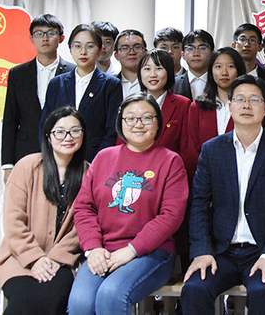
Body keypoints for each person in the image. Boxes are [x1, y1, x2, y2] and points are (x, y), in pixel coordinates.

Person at [180, 75, 265, 314]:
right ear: (230, 106)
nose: (246, 105)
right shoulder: (212, 150)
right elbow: (199, 204)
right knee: (194, 289)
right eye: (240, 99)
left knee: (262, 292)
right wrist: (202, 250)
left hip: (263, 250)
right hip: (221, 252)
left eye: (254, 100)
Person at [68, 93, 188, 315]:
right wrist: (93, 248)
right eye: (130, 118)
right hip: (103, 250)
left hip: (151, 253)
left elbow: (171, 216)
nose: (138, 124)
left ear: (158, 123)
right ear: (120, 123)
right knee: (80, 303)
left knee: (111, 295)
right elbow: (84, 208)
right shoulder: (103, 158)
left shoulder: (170, 161)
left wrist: (132, 250)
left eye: (146, 118)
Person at [0, 106, 89, 315]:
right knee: (23, 302)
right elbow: (13, 221)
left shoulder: (88, 173)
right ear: (48, 136)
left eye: (75, 131)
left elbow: (82, 226)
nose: (68, 137)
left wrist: (56, 257)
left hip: (63, 260)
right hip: (20, 257)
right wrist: (35, 258)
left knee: (52, 298)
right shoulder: (27, 167)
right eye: (60, 131)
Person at [2, 14, 73, 182]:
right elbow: (10, 120)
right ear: (31, 38)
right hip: (25, 150)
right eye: (39, 33)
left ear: (61, 38)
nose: (45, 38)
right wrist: (7, 164)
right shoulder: (18, 73)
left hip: (63, 149)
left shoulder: (73, 72)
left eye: (51, 33)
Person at [41, 24, 123, 163]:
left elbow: (112, 130)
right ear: (70, 49)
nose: (83, 52)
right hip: (59, 158)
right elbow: (45, 124)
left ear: (100, 49)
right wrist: (49, 156)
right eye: (77, 46)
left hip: (94, 158)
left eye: (90, 46)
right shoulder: (57, 83)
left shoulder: (111, 84)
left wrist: (98, 162)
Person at [181, 48, 247, 174]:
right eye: (218, 67)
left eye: (230, 66)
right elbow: (190, 149)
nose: (224, 72)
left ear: (239, 70)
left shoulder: (248, 106)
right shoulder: (198, 107)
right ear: (211, 71)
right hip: (203, 175)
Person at [173, 29, 215, 101]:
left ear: (212, 53)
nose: (196, 54)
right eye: (190, 49)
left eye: (202, 48)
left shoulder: (219, 82)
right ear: (183, 54)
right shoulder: (173, 84)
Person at [114, 29, 147, 98]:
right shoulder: (108, 84)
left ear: (146, 52)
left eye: (137, 47)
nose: (132, 52)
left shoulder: (156, 82)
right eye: (125, 48)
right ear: (116, 55)